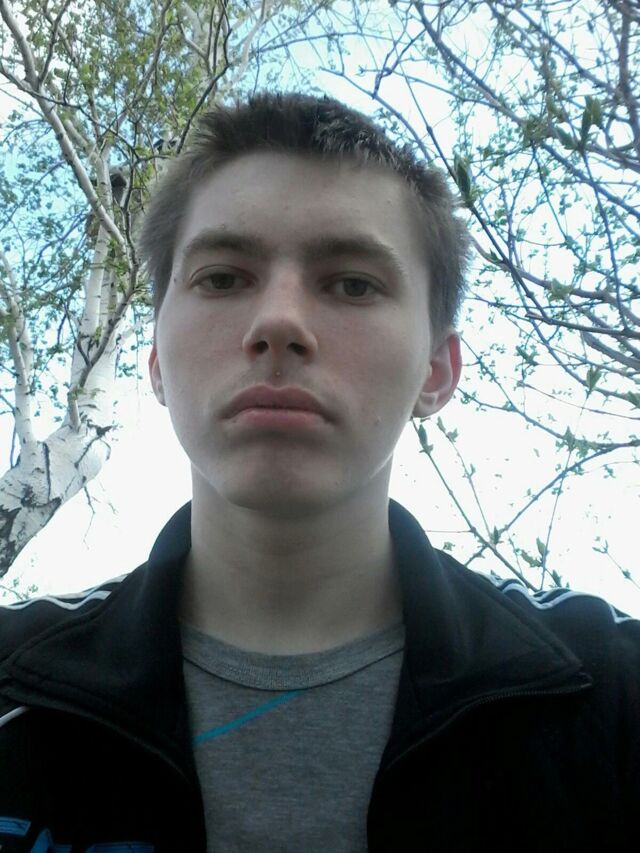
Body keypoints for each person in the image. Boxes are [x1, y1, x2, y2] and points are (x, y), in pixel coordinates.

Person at [0, 92, 637, 853]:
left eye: (353, 284)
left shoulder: (608, 694)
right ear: (158, 361)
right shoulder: (13, 689)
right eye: (222, 278)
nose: (278, 322)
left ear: (437, 369)